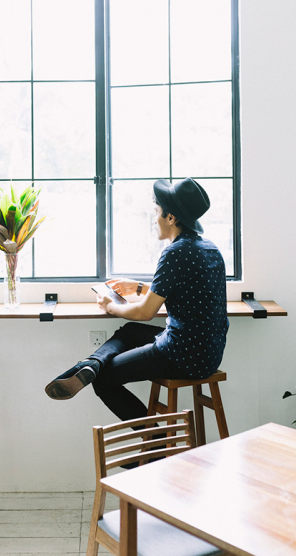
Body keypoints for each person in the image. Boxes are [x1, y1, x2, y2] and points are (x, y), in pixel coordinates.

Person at [45, 177, 229, 422]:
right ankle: (93, 363)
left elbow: (145, 312)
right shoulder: (208, 249)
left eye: (157, 213)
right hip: (209, 353)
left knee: (103, 381)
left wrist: (111, 306)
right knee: (130, 331)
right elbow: (186, 290)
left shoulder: (175, 252)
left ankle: (158, 440)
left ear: (171, 218)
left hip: (183, 356)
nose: (155, 219)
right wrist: (139, 287)